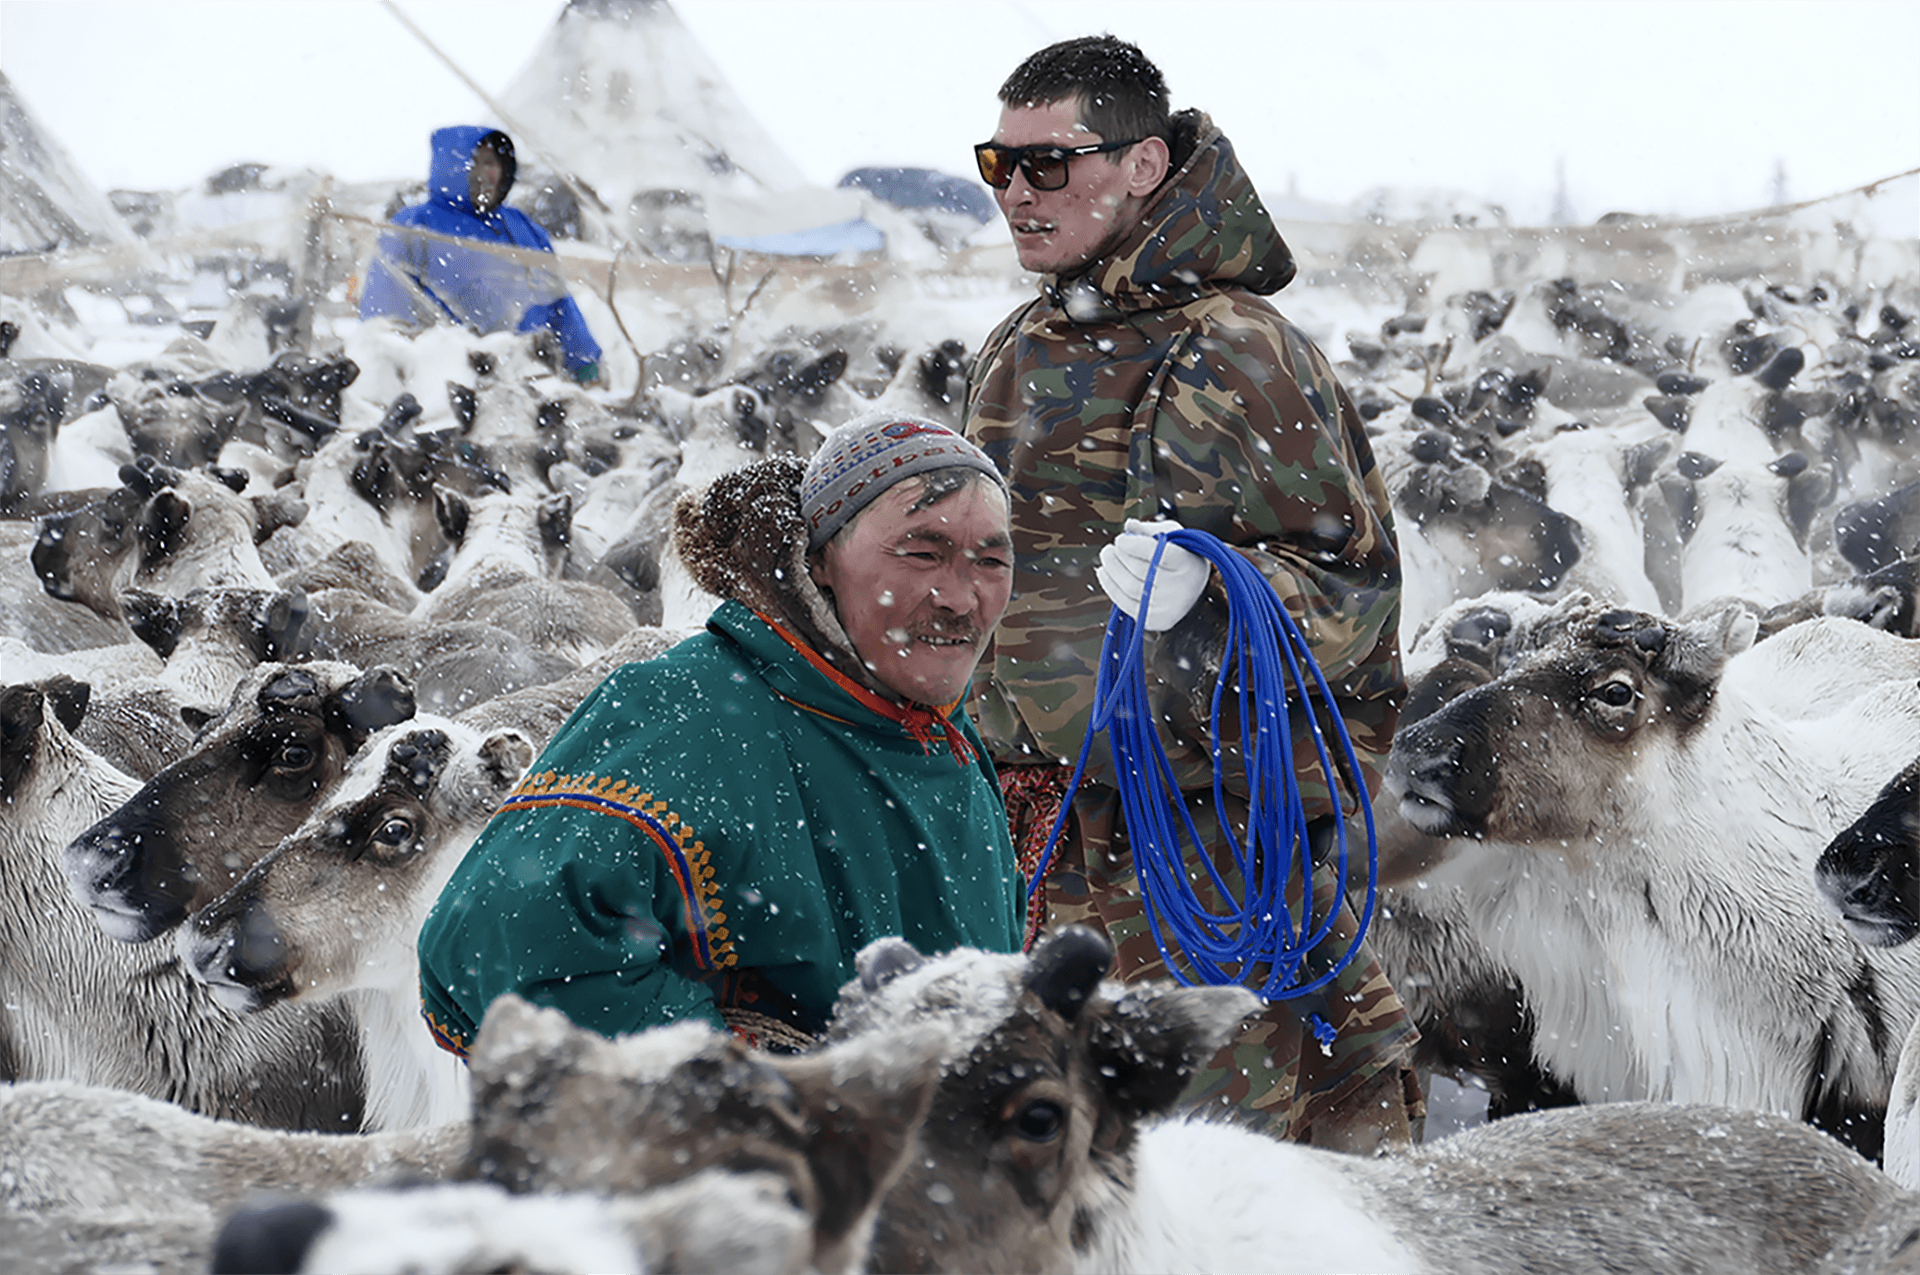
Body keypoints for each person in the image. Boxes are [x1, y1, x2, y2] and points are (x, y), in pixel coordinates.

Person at [964, 36, 1420, 1149]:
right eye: (999, 165)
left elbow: (1354, 594)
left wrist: (1220, 596)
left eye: (1050, 164)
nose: (1018, 193)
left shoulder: (1237, 350)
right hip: (1033, 842)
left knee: (1211, 1172)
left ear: (1144, 164)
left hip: (1195, 859)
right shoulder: (1018, 345)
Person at [418, 413, 1024, 1056]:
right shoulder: (690, 710)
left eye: (991, 560)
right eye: (922, 552)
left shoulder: (933, 730)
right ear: (819, 560)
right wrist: (744, 1078)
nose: (961, 598)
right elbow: (492, 942)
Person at [360, 126, 603, 384]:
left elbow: (557, 302)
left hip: (532, 371)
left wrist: (583, 360)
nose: (487, 173)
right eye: (475, 163)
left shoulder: (521, 226)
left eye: (493, 163)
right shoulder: (414, 225)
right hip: (446, 378)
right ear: (451, 167)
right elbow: (385, 312)